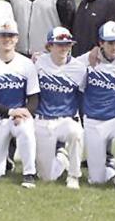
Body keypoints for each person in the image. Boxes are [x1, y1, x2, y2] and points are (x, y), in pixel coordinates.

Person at [0, 20, 41, 188]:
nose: (7, 39)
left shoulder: (26, 64)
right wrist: (11, 112)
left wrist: (25, 112)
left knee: (27, 129)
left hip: (18, 118)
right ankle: (4, 160)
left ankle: (29, 173)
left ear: (17, 38)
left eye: (11, 36)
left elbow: (33, 97)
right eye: (3, 36)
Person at [33, 26, 86, 189]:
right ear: (49, 46)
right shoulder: (38, 63)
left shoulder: (79, 68)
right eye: (59, 44)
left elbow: (82, 96)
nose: (64, 48)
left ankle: (74, 175)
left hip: (66, 119)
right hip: (42, 119)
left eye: (68, 44)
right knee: (47, 178)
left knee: (76, 132)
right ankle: (62, 156)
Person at [83, 22, 115, 188]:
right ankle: (111, 167)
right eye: (110, 42)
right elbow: (65, 63)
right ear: (101, 43)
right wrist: (41, 56)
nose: (114, 47)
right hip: (93, 121)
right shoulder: (88, 60)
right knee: (96, 180)